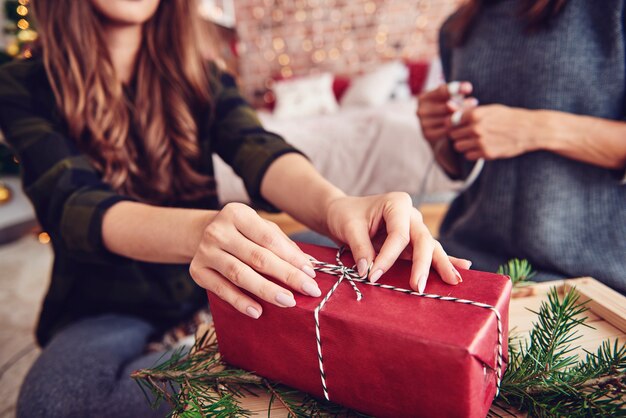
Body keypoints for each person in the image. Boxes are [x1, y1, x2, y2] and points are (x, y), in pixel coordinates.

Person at [0, 0, 471, 416]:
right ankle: (244, 363)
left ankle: (235, 361)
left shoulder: (201, 73)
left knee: (349, 266)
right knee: (56, 401)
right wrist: (201, 232)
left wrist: (335, 206)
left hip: (223, 285)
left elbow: (260, 150)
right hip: (106, 307)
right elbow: (75, 206)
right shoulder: (22, 84)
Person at [417, 0, 626, 293]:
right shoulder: (458, 26)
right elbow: (462, 169)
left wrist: (533, 129)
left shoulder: (612, 10)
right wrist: (438, 135)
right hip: (468, 265)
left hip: (587, 280)